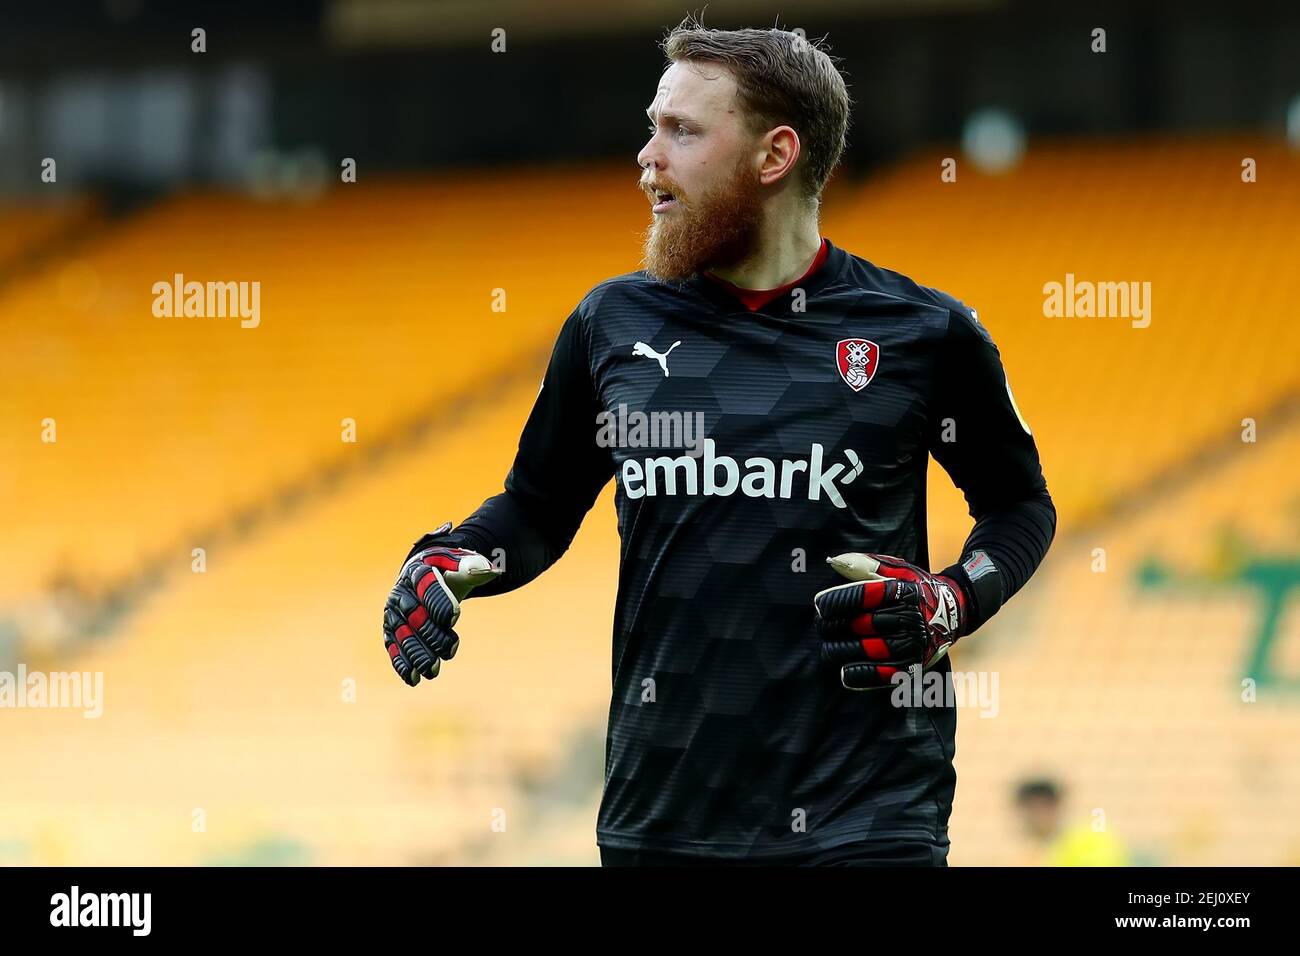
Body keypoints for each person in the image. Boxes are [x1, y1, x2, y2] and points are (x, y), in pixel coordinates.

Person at [383, 18, 1056, 866]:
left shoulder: (923, 333)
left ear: (774, 156)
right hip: (662, 819)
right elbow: (536, 508)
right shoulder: (611, 323)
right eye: (651, 125)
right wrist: (452, 557)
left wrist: (952, 600)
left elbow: (1019, 505)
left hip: (868, 819)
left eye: (682, 131)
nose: (646, 157)